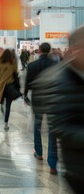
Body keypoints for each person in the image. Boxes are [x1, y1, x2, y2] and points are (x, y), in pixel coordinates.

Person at [31, 26, 84, 193]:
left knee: (39, 129)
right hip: (79, 170)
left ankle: (47, 159)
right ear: (75, 50)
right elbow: (59, 127)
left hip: (37, 103)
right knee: (50, 135)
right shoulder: (60, 78)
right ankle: (51, 162)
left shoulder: (37, 67)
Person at [24, 42, 58, 174]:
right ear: (49, 51)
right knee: (52, 129)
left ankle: (38, 152)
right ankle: (53, 163)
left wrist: (25, 95)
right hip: (53, 99)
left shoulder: (32, 65)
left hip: (38, 98)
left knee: (37, 125)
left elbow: (28, 82)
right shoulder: (55, 64)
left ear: (39, 51)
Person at [0, 49, 18, 131]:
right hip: (10, 86)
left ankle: (1, 108)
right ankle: (6, 124)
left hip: (1, 85)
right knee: (8, 106)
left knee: (1, 100)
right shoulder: (12, 62)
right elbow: (15, 72)